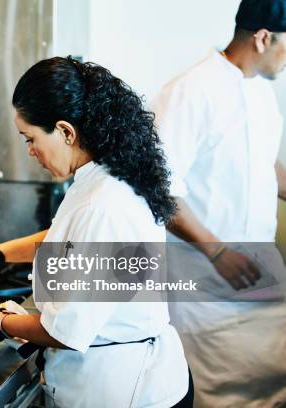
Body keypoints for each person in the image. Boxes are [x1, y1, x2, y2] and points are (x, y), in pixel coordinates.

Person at [0, 57, 192, 408]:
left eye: (30, 138)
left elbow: (64, 332)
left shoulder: (104, 205)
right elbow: (70, 240)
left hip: (125, 391)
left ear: (65, 131)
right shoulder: (104, 178)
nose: (30, 151)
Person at [151, 0, 286, 406]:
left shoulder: (262, 89)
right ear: (263, 38)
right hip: (203, 276)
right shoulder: (189, 91)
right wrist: (218, 251)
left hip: (257, 267)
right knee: (217, 396)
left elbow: (264, 164)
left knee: (271, 386)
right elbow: (160, 189)